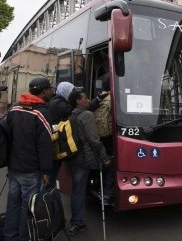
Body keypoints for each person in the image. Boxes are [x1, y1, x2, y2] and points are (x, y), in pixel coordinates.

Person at [3, 76, 55, 241]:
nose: (51, 91)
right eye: (49, 89)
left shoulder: (14, 109)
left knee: (13, 204)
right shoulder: (42, 113)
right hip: (31, 170)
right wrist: (46, 171)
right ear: (43, 90)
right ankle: (23, 237)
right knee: (28, 207)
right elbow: (45, 146)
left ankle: (9, 235)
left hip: (13, 168)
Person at [66, 90, 112, 236]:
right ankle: (107, 194)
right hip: (87, 159)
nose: (88, 100)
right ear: (78, 101)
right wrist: (105, 158)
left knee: (77, 191)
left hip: (75, 159)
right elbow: (94, 140)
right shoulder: (87, 115)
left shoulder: (72, 113)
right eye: (85, 98)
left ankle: (77, 223)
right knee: (112, 164)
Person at [47, 81, 109, 189]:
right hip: (66, 150)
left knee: (76, 188)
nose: (72, 93)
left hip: (61, 148)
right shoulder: (63, 106)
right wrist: (104, 158)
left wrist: (98, 99)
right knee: (54, 180)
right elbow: (93, 138)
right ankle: (48, 202)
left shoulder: (55, 102)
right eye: (71, 91)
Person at [93, 74, 115, 205]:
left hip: (100, 135)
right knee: (111, 163)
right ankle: (107, 192)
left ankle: (101, 189)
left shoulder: (99, 98)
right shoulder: (113, 99)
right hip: (110, 136)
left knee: (104, 162)